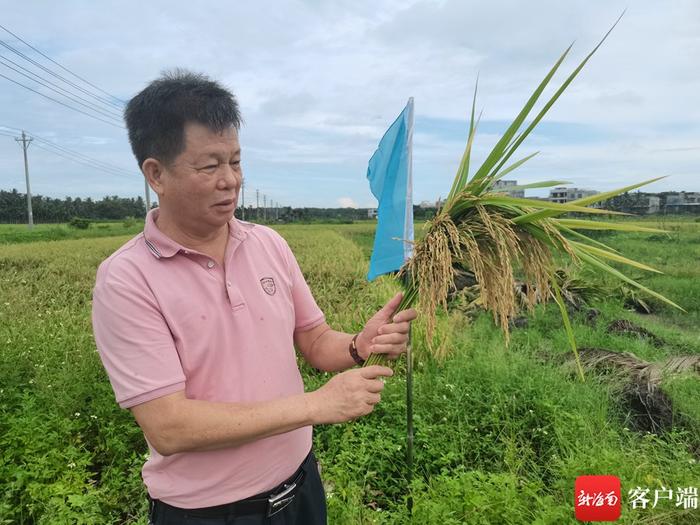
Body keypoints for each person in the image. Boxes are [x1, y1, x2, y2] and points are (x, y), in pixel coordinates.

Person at [91, 70, 417, 525]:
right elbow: (169, 426)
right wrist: (316, 405)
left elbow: (314, 338)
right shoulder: (127, 279)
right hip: (208, 514)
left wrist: (356, 345)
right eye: (209, 166)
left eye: (236, 162)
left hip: (300, 490)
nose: (230, 180)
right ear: (156, 174)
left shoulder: (268, 244)